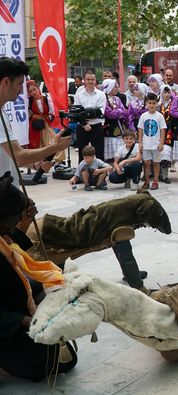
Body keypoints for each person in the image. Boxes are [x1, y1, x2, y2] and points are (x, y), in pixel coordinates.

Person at [0, 172, 77, 381]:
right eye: (12, 219)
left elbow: (15, 240)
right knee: (54, 359)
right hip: (5, 323)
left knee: (67, 355)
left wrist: (26, 219)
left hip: (13, 306)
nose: (15, 223)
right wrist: (29, 320)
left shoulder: (2, 234)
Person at [0, 57, 71, 186]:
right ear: (6, 82)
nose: (21, 90)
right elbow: (19, 156)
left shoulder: (2, 111)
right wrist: (55, 147)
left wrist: (35, 164)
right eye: (19, 83)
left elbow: (8, 153)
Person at [26, 80, 66, 166]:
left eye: (34, 89)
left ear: (38, 88)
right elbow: (27, 113)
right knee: (37, 144)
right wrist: (34, 116)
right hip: (35, 126)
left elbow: (52, 112)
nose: (33, 92)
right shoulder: (29, 101)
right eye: (30, 91)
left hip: (46, 124)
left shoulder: (46, 98)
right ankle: (39, 163)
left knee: (55, 140)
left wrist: (47, 118)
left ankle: (58, 161)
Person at [73, 70, 107, 163]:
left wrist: (85, 113)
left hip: (96, 126)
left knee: (99, 153)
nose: (90, 81)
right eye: (88, 79)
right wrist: (84, 123)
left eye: (92, 79)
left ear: (95, 80)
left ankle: (101, 175)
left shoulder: (101, 94)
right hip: (82, 127)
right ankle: (82, 175)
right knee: (82, 153)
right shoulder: (79, 94)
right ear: (84, 80)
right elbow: (77, 111)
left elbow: (100, 112)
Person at [138, 92, 166, 190]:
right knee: (146, 163)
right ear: (146, 103)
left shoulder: (159, 116)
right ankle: (146, 181)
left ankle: (155, 181)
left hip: (156, 144)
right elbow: (140, 130)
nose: (151, 105)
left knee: (156, 163)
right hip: (146, 144)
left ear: (157, 103)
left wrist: (161, 143)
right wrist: (140, 143)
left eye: (154, 103)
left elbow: (162, 130)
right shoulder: (143, 116)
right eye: (149, 103)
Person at [102, 79, 127, 163]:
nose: (116, 89)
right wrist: (118, 112)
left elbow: (123, 111)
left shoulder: (117, 99)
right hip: (108, 127)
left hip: (117, 126)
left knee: (118, 149)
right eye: (114, 87)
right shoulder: (104, 99)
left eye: (116, 87)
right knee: (109, 151)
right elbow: (109, 114)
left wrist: (117, 112)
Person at [158, 85, 174, 184]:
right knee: (158, 153)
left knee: (166, 152)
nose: (166, 95)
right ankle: (158, 174)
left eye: (168, 92)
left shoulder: (174, 103)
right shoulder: (157, 104)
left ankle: (165, 175)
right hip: (158, 131)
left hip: (169, 131)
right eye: (164, 92)